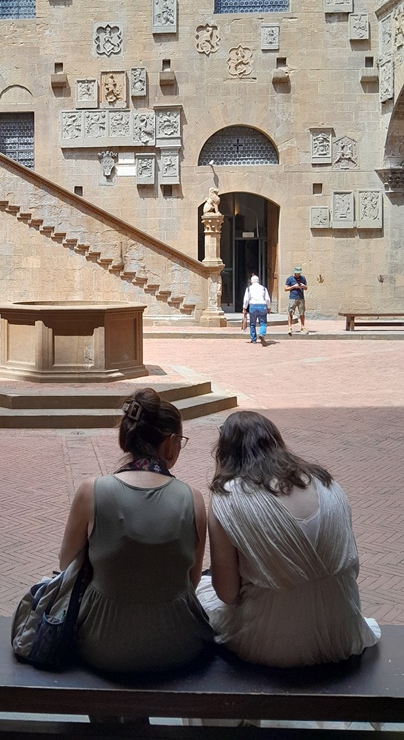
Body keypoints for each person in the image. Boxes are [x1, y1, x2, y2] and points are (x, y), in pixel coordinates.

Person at [198, 411, 380, 667]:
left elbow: (227, 594)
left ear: (226, 453)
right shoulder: (326, 483)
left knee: (200, 593)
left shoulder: (227, 497)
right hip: (343, 634)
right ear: (276, 442)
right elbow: (352, 568)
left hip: (270, 645)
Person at [58, 388, 213, 674]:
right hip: (178, 643)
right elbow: (191, 581)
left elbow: (67, 566)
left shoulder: (91, 492)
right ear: (170, 443)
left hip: (101, 644)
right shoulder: (193, 500)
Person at [242, 275, 270, 346]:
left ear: (251, 281)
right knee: (263, 322)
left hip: (253, 306)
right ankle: (262, 334)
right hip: (262, 306)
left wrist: (244, 308)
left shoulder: (249, 289)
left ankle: (253, 339)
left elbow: (246, 299)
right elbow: (267, 299)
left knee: (252, 323)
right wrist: (268, 307)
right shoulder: (263, 288)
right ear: (258, 281)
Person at [285, 266, 307, 335]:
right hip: (293, 297)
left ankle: (303, 327)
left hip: (301, 298)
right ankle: (289, 327)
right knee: (290, 312)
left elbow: (306, 288)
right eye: (297, 273)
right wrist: (293, 287)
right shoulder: (290, 279)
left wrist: (303, 286)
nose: (298, 274)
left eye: (299, 273)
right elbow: (285, 289)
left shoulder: (303, 278)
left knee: (302, 313)